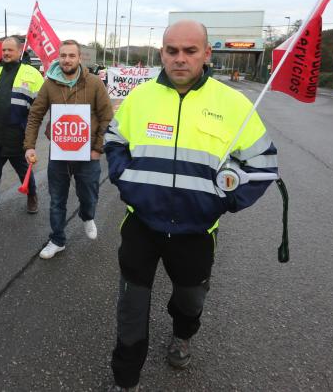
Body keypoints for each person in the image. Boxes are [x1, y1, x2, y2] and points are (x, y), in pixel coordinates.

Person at [104, 20, 279, 391]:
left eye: (190, 50)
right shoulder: (141, 98)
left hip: (197, 231)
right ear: (162, 53)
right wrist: (128, 180)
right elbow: (115, 141)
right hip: (141, 225)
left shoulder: (233, 104)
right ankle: (126, 379)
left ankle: (183, 334)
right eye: (172, 51)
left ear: (206, 53)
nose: (180, 59)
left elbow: (264, 165)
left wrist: (223, 200)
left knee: (190, 299)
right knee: (131, 306)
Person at [24, 40, 113, 259]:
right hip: (60, 153)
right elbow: (35, 115)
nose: (66, 60)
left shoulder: (94, 83)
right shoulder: (49, 84)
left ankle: (87, 215)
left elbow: (107, 117)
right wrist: (29, 146)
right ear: (58, 58)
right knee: (57, 200)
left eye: (71, 56)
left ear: (79, 58)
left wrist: (97, 150)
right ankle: (57, 240)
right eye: (63, 56)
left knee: (89, 195)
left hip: (89, 154)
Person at [0, 37, 44, 229]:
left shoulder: (33, 74)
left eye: (10, 50)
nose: (5, 53)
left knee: (23, 172)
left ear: (19, 51)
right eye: (4, 50)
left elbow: (40, 106)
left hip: (18, 136)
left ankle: (31, 195)